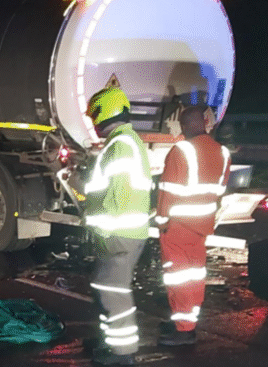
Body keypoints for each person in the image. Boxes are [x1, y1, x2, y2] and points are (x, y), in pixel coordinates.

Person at [84, 86, 152, 365]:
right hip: (124, 233)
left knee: (114, 295)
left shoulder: (121, 145)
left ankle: (123, 355)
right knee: (107, 289)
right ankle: (111, 344)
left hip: (118, 234)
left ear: (105, 111)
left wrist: (103, 228)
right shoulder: (126, 141)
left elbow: (117, 194)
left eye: (94, 116)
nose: (93, 123)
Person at [155, 105, 231, 345]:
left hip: (178, 225)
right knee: (193, 276)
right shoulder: (223, 152)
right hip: (202, 225)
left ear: (185, 125)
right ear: (205, 123)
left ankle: (184, 330)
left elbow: (167, 190)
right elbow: (219, 190)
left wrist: (161, 221)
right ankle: (184, 322)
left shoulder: (182, 150)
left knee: (178, 278)